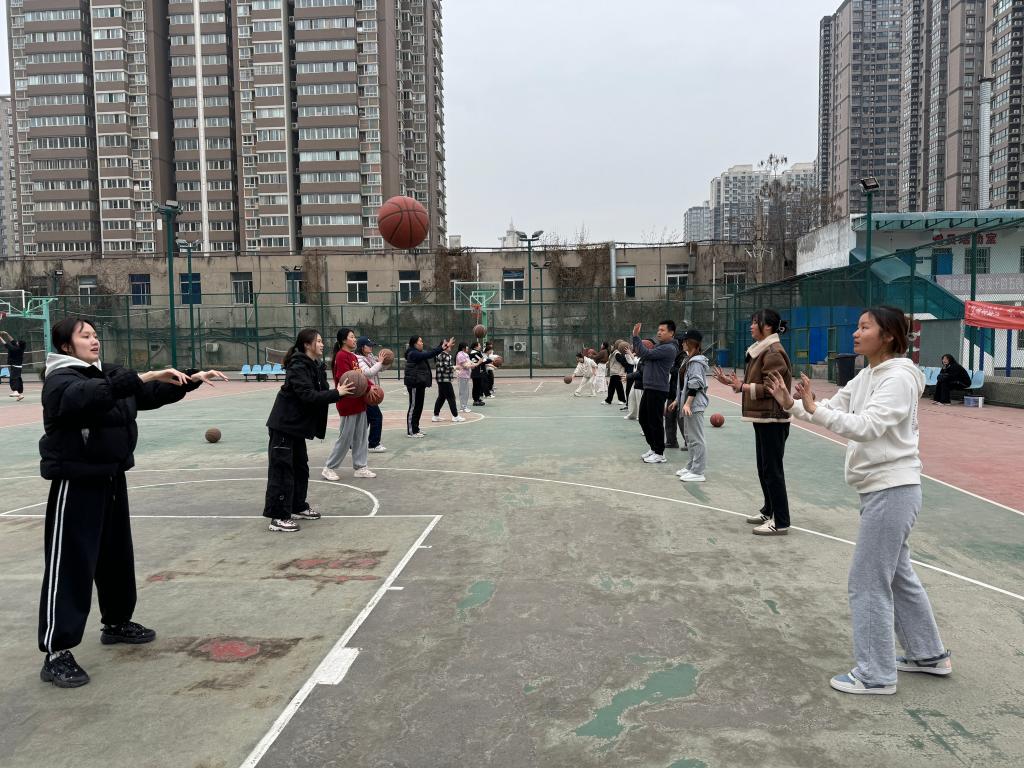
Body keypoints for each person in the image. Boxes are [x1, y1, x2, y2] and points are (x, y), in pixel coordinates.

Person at [764, 306, 950, 695]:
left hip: (892, 489)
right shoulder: (867, 375)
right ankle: (928, 654)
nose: (855, 332)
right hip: (880, 489)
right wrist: (792, 404)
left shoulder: (898, 378)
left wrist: (813, 409)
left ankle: (875, 674)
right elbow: (829, 410)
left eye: (865, 327)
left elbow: (868, 427)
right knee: (897, 575)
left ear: (889, 336)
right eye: (858, 326)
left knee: (867, 581)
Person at [37, 317, 227, 688]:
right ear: (65, 346)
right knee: (71, 565)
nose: (94, 340)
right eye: (85, 336)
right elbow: (88, 397)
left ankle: (116, 622)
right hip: (76, 481)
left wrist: (189, 379)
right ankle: (56, 652)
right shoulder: (61, 380)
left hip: (110, 475)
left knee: (116, 556)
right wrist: (144, 375)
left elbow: (146, 394)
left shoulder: (105, 373)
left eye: (95, 334)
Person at [713, 309, 793, 536]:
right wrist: (735, 384)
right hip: (763, 417)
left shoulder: (773, 352)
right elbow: (757, 382)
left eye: (755, 322)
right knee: (764, 468)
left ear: (767, 327)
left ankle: (781, 521)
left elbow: (772, 388)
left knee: (772, 470)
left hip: (773, 418)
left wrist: (743, 387)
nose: (751, 326)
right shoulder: (762, 350)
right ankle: (769, 510)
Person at [267, 328, 354, 533]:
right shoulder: (298, 366)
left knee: (300, 468)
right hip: (284, 426)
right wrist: (337, 393)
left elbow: (322, 393)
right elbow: (308, 395)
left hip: (297, 428)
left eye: (322, 341)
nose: (322, 344)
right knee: (282, 470)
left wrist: (342, 392)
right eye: (319, 341)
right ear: (307, 344)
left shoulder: (315, 366)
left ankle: (297, 506)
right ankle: (278, 517)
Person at [323, 328, 375, 480]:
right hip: (348, 402)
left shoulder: (352, 356)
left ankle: (360, 467)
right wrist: (368, 388)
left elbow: (360, 376)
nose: (355, 339)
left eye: (354, 337)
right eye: (352, 337)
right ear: (344, 340)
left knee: (361, 437)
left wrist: (371, 386)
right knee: (345, 438)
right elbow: (349, 379)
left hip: (359, 401)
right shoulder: (341, 356)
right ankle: (329, 468)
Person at [631, 320, 679, 463]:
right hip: (650, 387)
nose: (659, 332)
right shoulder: (660, 347)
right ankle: (653, 447)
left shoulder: (669, 348)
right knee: (643, 418)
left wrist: (636, 336)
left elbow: (645, 353)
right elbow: (645, 355)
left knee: (655, 421)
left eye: (663, 330)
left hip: (658, 389)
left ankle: (659, 453)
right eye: (658, 330)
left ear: (671, 333)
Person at [668, 330, 709, 482]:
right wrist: (677, 400)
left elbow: (696, 383)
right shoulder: (688, 359)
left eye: (685, 341)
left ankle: (698, 471)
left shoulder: (696, 362)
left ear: (691, 342)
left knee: (697, 438)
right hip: (687, 404)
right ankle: (691, 466)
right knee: (689, 438)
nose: (682, 343)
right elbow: (684, 385)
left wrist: (687, 403)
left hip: (694, 405)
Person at [405, 334, 453, 437]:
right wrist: (442, 348)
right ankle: (411, 431)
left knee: (419, 407)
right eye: (420, 341)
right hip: (414, 383)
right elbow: (429, 354)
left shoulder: (418, 352)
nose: (422, 343)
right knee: (414, 407)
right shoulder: (412, 353)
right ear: (414, 343)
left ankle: (416, 429)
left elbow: (430, 352)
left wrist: (442, 347)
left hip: (420, 383)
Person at [356, 337, 388, 453]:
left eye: (371, 345)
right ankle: (374, 444)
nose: (371, 347)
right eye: (369, 345)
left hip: (370, 392)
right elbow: (368, 373)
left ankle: (353, 443)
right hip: (366, 393)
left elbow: (380, 369)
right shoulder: (358, 359)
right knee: (376, 417)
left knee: (365, 420)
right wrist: (379, 362)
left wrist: (385, 362)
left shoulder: (369, 356)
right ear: (362, 347)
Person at [432, 342, 464, 422]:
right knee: (451, 397)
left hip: (442, 379)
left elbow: (444, 368)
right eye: (448, 345)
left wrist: (454, 369)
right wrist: (455, 367)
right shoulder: (444, 355)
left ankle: (435, 415)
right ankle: (455, 416)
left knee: (441, 397)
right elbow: (445, 369)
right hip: (444, 380)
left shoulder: (443, 355)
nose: (450, 346)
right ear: (445, 347)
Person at [1, 330, 26, 401]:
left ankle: (15, 391)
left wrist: (0, 337)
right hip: (18, 366)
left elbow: (6, 344)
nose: (16, 342)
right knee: (18, 379)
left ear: (18, 344)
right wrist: (7, 334)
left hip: (15, 367)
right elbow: (12, 340)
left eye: (17, 342)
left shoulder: (15, 349)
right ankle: (20, 394)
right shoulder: (21, 348)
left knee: (13, 379)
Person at [455, 342, 478, 413]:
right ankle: (463, 407)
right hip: (462, 375)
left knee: (466, 392)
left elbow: (470, 363)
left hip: (466, 375)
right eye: (466, 346)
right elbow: (465, 366)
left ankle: (464, 406)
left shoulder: (466, 355)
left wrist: (477, 363)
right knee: (463, 392)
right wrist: (473, 365)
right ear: (463, 347)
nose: (468, 347)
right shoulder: (460, 355)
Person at [605, 340, 628, 406]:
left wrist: (623, 370)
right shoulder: (614, 353)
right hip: (614, 372)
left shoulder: (617, 353)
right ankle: (609, 400)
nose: (611, 346)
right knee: (612, 387)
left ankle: (622, 400)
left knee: (618, 387)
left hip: (617, 372)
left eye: (613, 345)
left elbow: (624, 362)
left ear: (616, 346)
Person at [468, 340, 488, 407]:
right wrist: (492, 360)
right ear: (475, 347)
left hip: (477, 371)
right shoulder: (475, 353)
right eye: (479, 345)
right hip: (476, 372)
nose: (480, 346)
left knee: (478, 386)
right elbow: (483, 361)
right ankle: (475, 400)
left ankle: (477, 399)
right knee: (476, 386)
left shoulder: (474, 353)